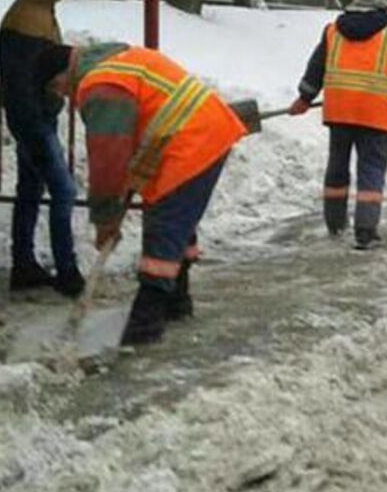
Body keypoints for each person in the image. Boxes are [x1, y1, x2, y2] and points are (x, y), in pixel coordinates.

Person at [36, 41, 248, 346]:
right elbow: (131, 146)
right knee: (175, 222)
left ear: (62, 75)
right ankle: (177, 302)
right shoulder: (118, 61)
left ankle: (144, 325)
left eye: (58, 89)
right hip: (203, 131)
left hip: (190, 141)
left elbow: (108, 158)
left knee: (164, 228)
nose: (64, 96)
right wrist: (116, 206)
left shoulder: (101, 85)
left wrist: (106, 216)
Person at [289, 0, 387, 249]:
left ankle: (334, 224)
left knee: (337, 166)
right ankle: (365, 232)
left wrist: (304, 97)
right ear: (386, 7)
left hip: (339, 109)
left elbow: (315, 68)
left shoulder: (333, 31)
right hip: (376, 113)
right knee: (371, 171)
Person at [0, 0, 83, 296]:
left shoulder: (39, 12)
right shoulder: (26, 19)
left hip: (39, 116)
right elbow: (23, 79)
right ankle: (67, 270)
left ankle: (23, 264)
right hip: (33, 121)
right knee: (63, 190)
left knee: (30, 191)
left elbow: (41, 63)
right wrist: (31, 128)